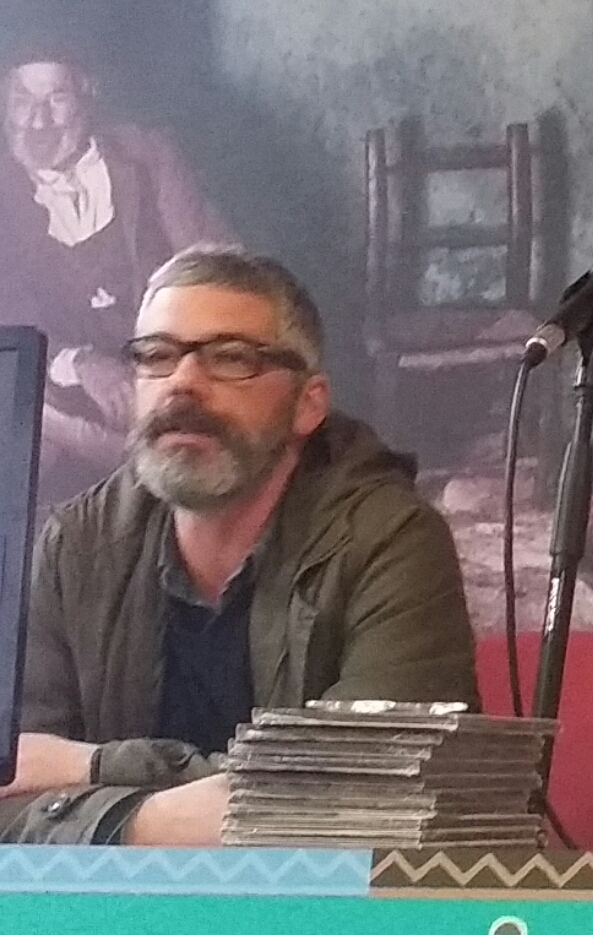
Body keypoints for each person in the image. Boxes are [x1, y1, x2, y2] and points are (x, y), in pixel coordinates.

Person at [0, 245, 480, 846]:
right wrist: (169, 817)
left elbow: (370, 795)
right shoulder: (74, 546)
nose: (183, 382)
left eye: (230, 359)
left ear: (308, 404)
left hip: (321, 907)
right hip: (108, 905)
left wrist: (97, 774)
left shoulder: (391, 541)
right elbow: (11, 797)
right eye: (156, 356)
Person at [0, 43, 234, 509]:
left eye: (57, 98)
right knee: (31, 426)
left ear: (88, 95)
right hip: (53, 377)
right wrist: (79, 363)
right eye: (22, 101)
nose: (38, 121)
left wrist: (160, 360)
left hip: (159, 366)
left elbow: (215, 265)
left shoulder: (147, 157)